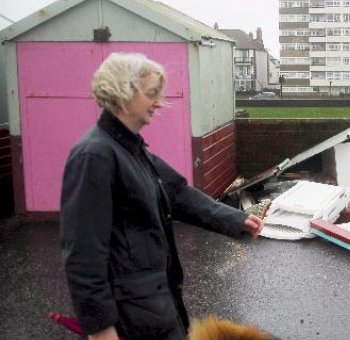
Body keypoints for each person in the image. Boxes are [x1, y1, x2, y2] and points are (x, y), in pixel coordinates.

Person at [59, 53, 263, 340]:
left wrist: (237, 219)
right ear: (123, 92)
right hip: (128, 316)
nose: (158, 103)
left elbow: (178, 193)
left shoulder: (131, 150)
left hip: (153, 306)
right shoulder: (94, 156)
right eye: (152, 93)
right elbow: (83, 253)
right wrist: (101, 331)